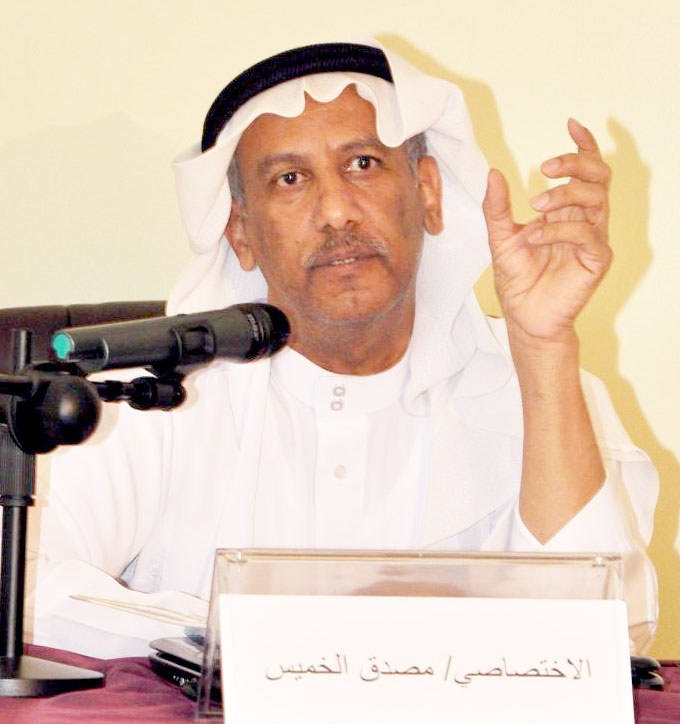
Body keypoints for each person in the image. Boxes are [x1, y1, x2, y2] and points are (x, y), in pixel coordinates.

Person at [30, 40, 658, 657]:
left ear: (428, 191)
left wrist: (544, 346)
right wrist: (268, 643)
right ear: (242, 232)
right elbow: (29, 586)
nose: (336, 212)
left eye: (363, 164)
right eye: (290, 179)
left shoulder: (547, 386)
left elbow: (605, 637)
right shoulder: (151, 395)